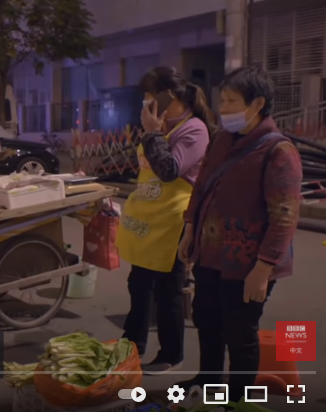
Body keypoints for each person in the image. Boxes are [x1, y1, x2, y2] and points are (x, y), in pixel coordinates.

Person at [176, 66, 302, 401]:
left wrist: (263, 269)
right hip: (210, 253)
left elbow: (285, 216)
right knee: (207, 318)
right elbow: (201, 187)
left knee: (240, 331)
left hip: (248, 262)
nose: (224, 109)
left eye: (231, 101)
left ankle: (238, 400)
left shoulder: (278, 151)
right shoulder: (221, 139)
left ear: (256, 103)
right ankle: (208, 381)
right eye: (222, 101)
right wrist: (190, 231)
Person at [115, 66, 214, 374]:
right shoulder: (164, 127)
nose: (147, 104)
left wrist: (152, 133)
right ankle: (132, 344)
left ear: (169, 98)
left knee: (168, 290)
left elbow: (169, 169)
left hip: (173, 222)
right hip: (149, 221)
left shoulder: (194, 130)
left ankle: (172, 354)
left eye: (151, 97)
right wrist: (153, 132)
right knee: (138, 284)